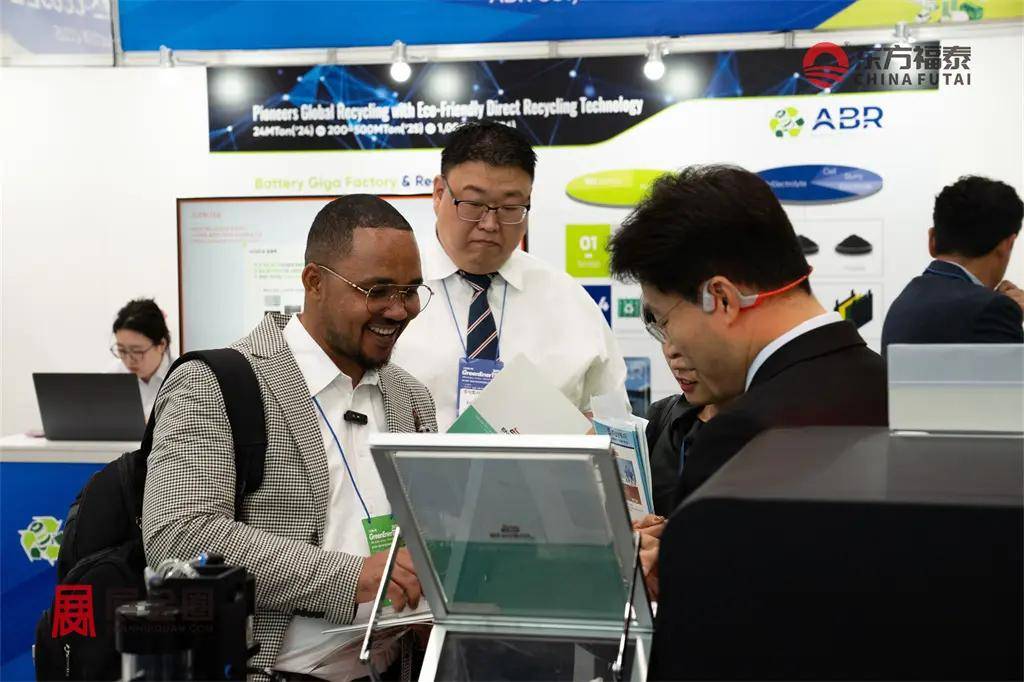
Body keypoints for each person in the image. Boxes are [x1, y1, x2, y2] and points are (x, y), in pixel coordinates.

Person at [142, 195, 438, 680]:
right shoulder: (215, 383)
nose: (399, 309)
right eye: (378, 290)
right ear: (314, 282)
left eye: (410, 291)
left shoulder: (411, 398)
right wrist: (354, 577)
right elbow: (179, 535)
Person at [391, 121, 627, 430]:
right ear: (438, 194)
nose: (490, 224)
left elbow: (616, 421)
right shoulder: (388, 293)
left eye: (510, 207)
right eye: (474, 204)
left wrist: (598, 432)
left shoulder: (570, 301)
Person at [882, 175, 1024, 350]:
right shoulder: (994, 310)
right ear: (1007, 244)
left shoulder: (902, 304)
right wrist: (1007, 312)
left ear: (932, 240)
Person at [644, 336, 720, 518]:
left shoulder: (770, 431)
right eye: (662, 335)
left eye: (692, 338)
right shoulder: (661, 416)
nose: (674, 362)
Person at [107, 298, 175, 416]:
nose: (128, 360)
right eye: (122, 350)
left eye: (137, 351)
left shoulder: (181, 377)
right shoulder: (113, 376)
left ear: (161, 345)